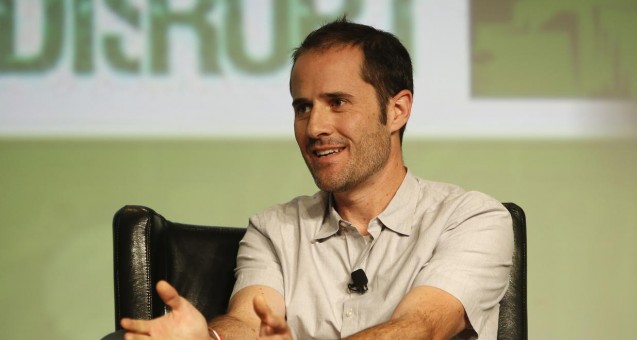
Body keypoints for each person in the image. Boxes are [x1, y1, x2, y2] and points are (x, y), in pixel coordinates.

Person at [117, 17, 513, 340]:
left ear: (397, 111)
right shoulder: (274, 228)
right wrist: (210, 339)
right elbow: (248, 323)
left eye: (337, 102)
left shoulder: (472, 218)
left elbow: (418, 329)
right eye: (302, 107)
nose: (314, 127)